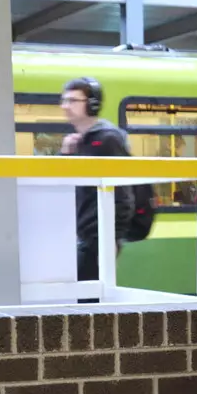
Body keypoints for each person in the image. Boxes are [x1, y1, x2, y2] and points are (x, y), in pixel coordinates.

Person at [59, 77, 132, 284]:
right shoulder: (79, 142)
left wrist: (110, 239)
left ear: (92, 105)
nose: (65, 106)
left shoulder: (108, 139)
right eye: (64, 101)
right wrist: (65, 155)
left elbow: (123, 193)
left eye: (73, 101)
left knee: (85, 298)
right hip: (83, 236)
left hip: (97, 239)